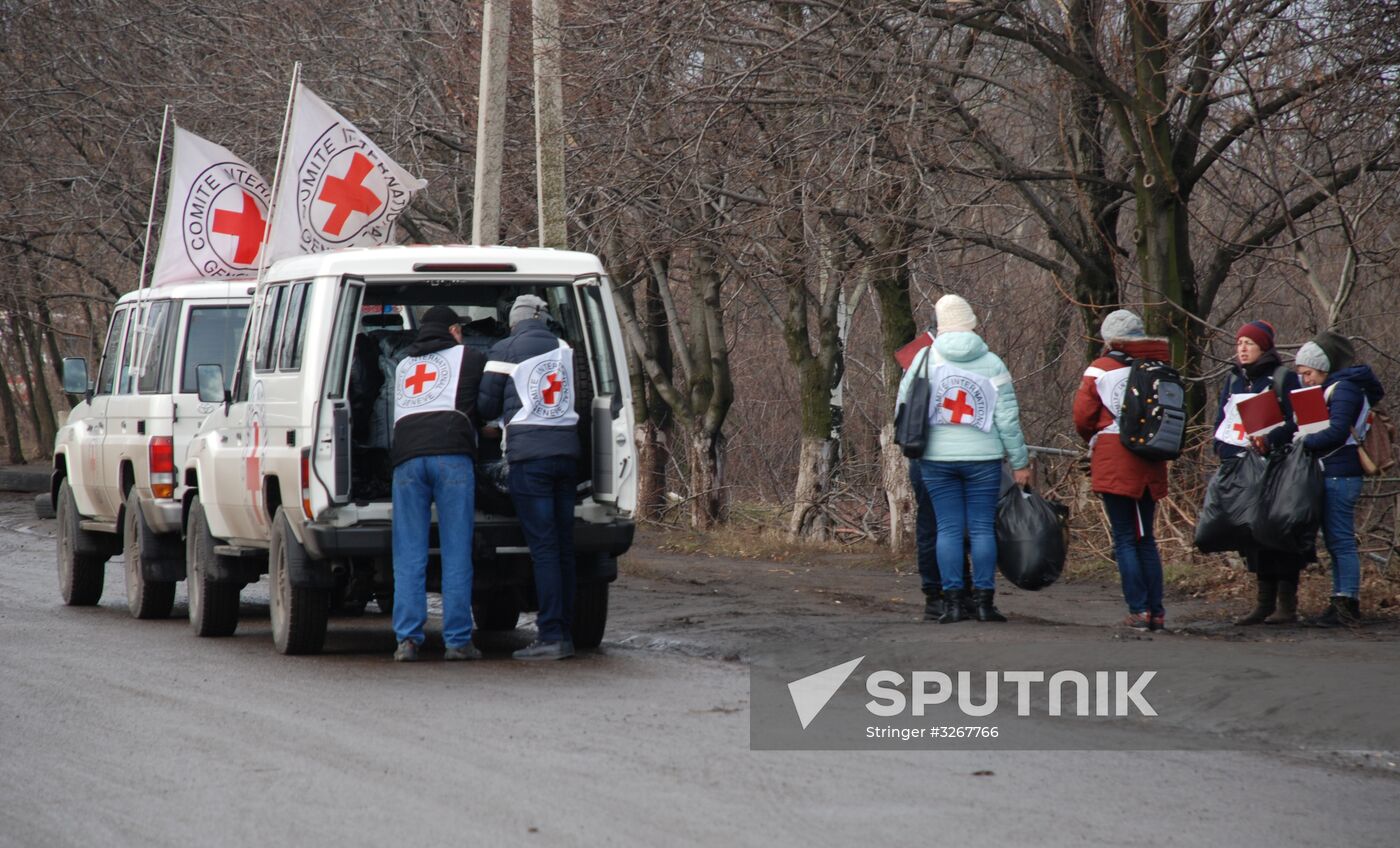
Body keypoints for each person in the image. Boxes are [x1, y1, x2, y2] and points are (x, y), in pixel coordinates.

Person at [897, 294, 1031, 624]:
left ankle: (952, 603)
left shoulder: (925, 359)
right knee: (983, 530)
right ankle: (984, 603)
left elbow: (903, 405)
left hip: (936, 459)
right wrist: (1020, 462)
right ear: (972, 323)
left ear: (941, 325)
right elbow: (1008, 419)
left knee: (948, 530)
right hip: (984, 458)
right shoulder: (992, 363)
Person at [478, 294, 582, 660]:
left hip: (530, 460)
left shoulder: (504, 349)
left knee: (545, 549)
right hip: (567, 455)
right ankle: (564, 632)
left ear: (514, 321)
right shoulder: (564, 347)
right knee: (563, 548)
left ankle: (551, 637)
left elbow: (486, 407)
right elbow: (577, 397)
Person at [390, 306, 487, 662]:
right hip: (452, 457)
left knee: (409, 553)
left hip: (407, 460)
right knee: (456, 550)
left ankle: (408, 640)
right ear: (453, 330)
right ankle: (458, 641)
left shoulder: (403, 365)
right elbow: (485, 403)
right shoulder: (471, 357)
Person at [1073, 309, 1170, 632]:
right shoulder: (1159, 368)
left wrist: (1097, 439)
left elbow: (1083, 417)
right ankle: (1155, 612)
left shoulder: (1099, 369)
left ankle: (1139, 610)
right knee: (1145, 537)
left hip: (1115, 457)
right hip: (1151, 458)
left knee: (1125, 538)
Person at [1212, 320, 1306, 625]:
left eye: (1249, 343)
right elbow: (1222, 418)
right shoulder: (1233, 380)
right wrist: (1220, 445)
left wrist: (1271, 439)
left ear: (1263, 347)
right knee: (1251, 533)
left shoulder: (1283, 378)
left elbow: (1301, 420)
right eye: (1239, 343)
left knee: (1278, 532)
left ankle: (1286, 604)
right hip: (1241, 466)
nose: (1242, 348)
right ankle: (1263, 603)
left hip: (1277, 468)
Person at [1294, 331, 1385, 628]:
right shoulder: (1338, 387)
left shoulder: (1344, 389)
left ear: (1322, 366)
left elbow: (1336, 432)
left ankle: (1347, 602)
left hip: (1341, 473)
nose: (1305, 380)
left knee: (1341, 540)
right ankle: (1341, 599)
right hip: (1333, 471)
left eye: (1307, 373)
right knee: (1335, 540)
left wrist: (1301, 442)